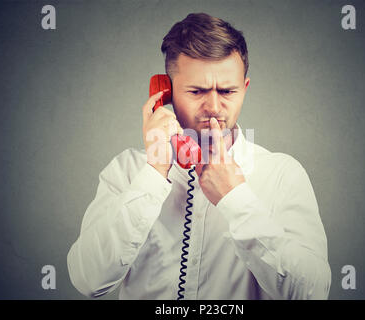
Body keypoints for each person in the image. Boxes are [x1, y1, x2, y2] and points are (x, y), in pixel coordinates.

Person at [67, 12, 331, 300]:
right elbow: (89, 281)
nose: (214, 106)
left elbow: (312, 293)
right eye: (197, 91)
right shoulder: (126, 171)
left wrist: (236, 198)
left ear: (244, 89)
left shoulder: (282, 175)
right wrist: (154, 173)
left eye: (228, 91)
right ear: (165, 93)